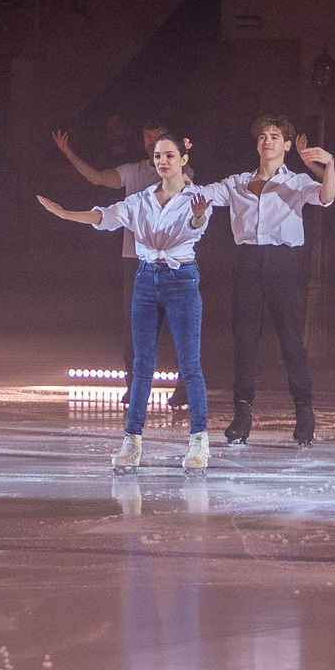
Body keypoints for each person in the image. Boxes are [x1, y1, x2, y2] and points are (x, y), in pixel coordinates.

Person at [38, 135, 218, 470]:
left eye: (170, 155)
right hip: (145, 279)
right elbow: (106, 217)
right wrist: (65, 215)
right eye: (158, 156)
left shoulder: (197, 197)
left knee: (189, 364)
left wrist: (196, 217)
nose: (162, 161)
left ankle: (198, 440)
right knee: (141, 364)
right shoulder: (141, 199)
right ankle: (132, 440)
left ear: (183, 159)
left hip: (181, 280)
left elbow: (197, 226)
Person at [199, 115, 335, 446]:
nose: (267, 141)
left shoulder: (297, 182)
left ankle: (304, 410)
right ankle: (242, 412)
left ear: (287, 145)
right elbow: (200, 194)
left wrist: (330, 165)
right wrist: (179, 163)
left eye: (274, 136)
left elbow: (326, 197)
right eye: (262, 136)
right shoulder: (237, 182)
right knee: (245, 339)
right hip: (246, 261)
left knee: (290, 338)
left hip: (281, 262)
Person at [53, 120, 192, 413]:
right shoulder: (135, 170)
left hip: (173, 261)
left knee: (177, 324)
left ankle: (184, 386)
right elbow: (99, 178)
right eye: (146, 136)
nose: (151, 141)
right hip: (136, 259)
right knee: (136, 325)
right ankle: (135, 384)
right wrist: (69, 155)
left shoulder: (183, 171)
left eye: (157, 136)